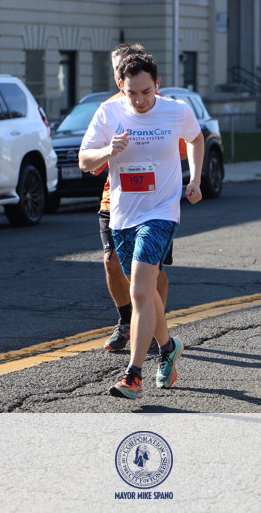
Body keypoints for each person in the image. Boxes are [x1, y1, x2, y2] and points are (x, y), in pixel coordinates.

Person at [80, 52, 204, 399]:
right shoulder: (108, 113)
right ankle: (169, 347)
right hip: (122, 215)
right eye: (131, 92)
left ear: (157, 85)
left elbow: (196, 138)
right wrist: (108, 151)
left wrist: (195, 179)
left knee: (138, 291)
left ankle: (133, 375)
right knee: (146, 292)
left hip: (161, 211)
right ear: (120, 86)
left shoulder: (176, 110)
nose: (139, 100)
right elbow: (84, 160)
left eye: (146, 92)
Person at [99, 44, 171, 353]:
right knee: (112, 262)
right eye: (116, 68)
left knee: (153, 269)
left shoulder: (160, 106)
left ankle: (156, 326)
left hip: (154, 202)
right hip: (115, 200)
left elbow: (183, 146)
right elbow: (91, 159)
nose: (120, 72)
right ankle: (126, 321)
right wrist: (107, 151)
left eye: (125, 65)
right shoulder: (108, 110)